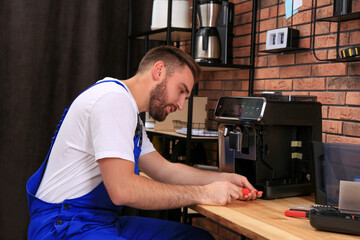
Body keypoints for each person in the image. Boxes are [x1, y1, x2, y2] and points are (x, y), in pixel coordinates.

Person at [26, 45, 262, 240]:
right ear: (158, 71)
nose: (181, 105)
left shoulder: (131, 116)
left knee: (197, 239)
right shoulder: (113, 100)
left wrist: (221, 178)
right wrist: (203, 194)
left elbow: (164, 170)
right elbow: (123, 190)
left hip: (97, 221)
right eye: (181, 91)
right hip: (63, 226)